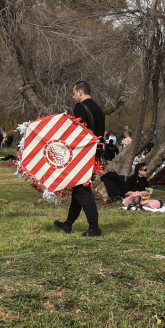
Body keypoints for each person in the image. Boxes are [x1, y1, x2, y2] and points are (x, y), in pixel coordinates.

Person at [54, 81, 106, 237]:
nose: (73, 96)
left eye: (74, 93)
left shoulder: (80, 108)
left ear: (80, 92)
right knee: (78, 188)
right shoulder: (98, 110)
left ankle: (94, 228)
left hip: (82, 156)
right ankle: (68, 225)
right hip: (94, 156)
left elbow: (77, 134)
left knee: (81, 190)